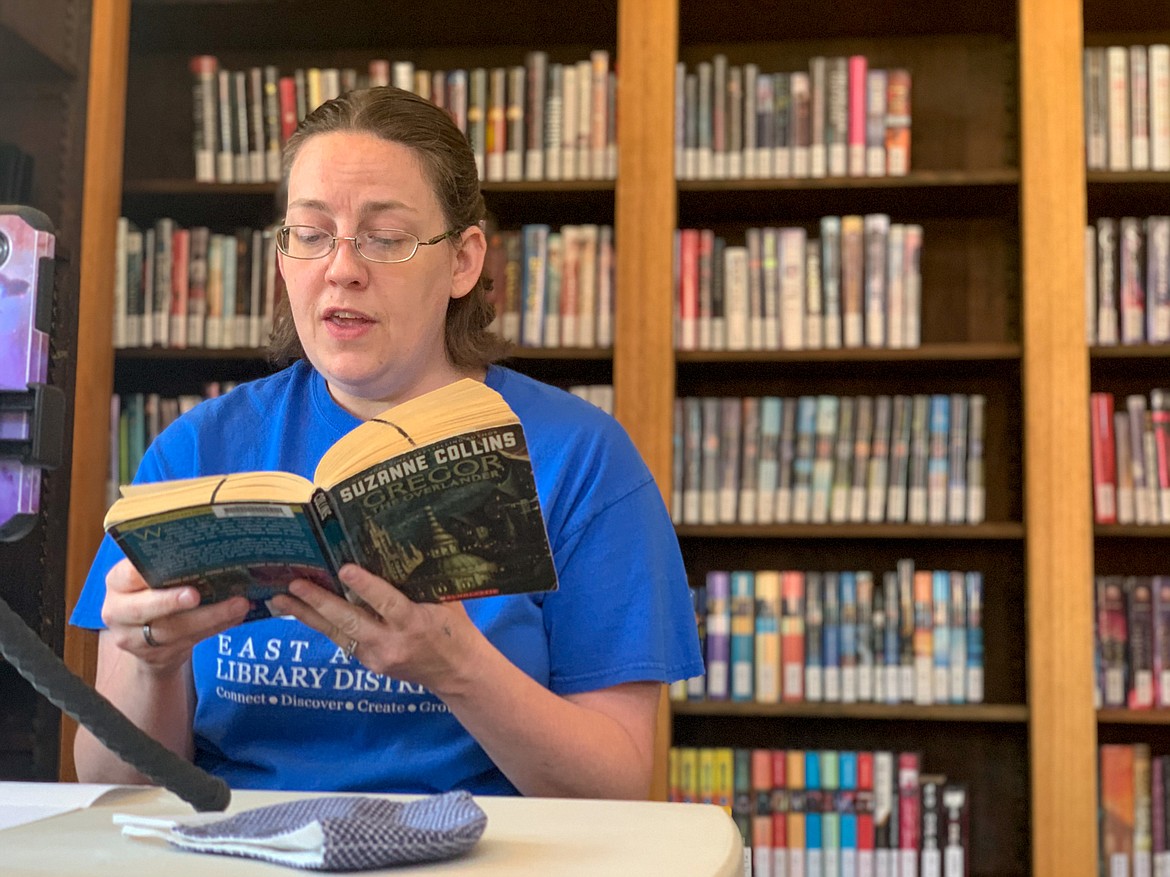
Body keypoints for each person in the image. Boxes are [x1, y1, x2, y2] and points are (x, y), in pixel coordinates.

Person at [70, 86, 702, 799]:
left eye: (385, 236)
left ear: (464, 261)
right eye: (311, 233)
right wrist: (152, 664)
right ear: (283, 256)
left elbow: (617, 785)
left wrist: (458, 666)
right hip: (243, 848)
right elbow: (107, 780)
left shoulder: (581, 458)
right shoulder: (196, 453)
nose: (342, 267)